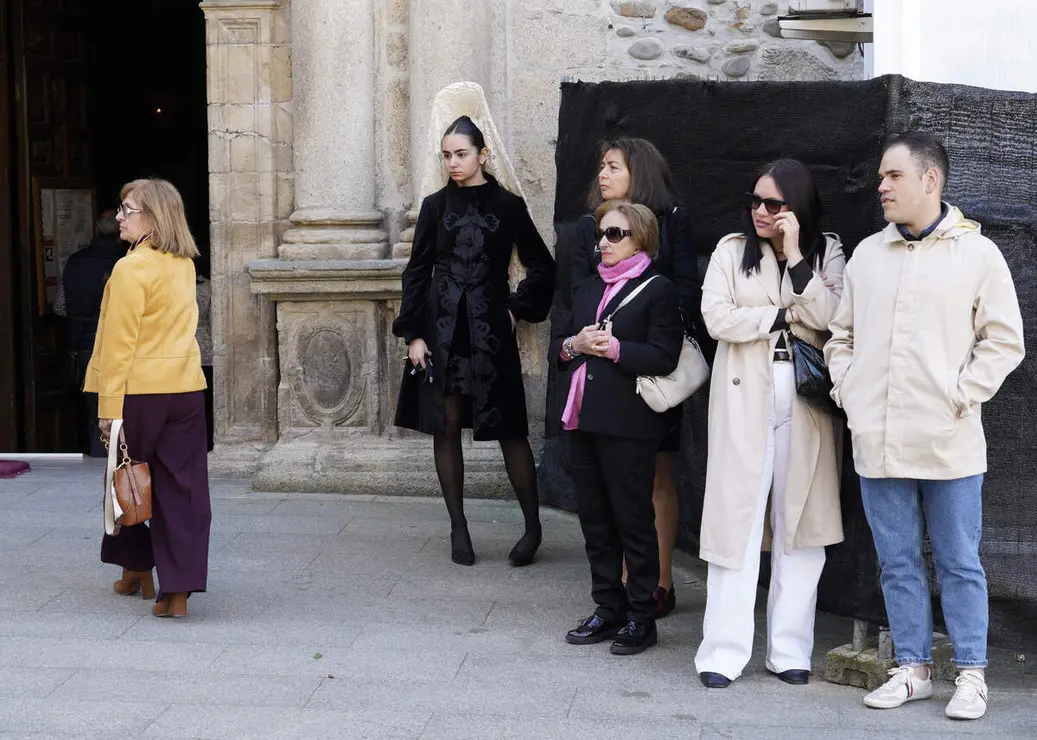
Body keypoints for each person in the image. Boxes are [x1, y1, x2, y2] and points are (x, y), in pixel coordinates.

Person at [826, 133, 1024, 720]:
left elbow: (1004, 340)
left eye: (892, 176)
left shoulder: (977, 254)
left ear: (929, 180)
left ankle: (970, 674)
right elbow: (842, 338)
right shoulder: (867, 255)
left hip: (950, 441)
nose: (881, 187)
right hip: (878, 438)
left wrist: (960, 397)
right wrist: (850, 391)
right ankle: (911, 670)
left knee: (960, 560)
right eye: (881, 177)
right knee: (897, 560)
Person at [695, 159, 845, 688]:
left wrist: (799, 258)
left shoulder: (828, 250)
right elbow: (716, 317)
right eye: (756, 200)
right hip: (744, 401)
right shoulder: (731, 250)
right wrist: (777, 317)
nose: (761, 211)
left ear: (796, 207)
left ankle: (789, 650)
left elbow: (832, 317)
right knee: (737, 517)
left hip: (806, 405)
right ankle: (723, 651)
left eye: (774, 204)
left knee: (800, 522)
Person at [392, 99, 555, 568]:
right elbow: (417, 272)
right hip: (442, 335)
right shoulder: (434, 207)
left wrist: (515, 310)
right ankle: (458, 528)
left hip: (490, 332)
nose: (452, 163)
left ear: (482, 155)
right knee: (445, 428)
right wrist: (414, 335)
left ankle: (532, 527)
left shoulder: (509, 206)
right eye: (446, 155)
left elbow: (543, 266)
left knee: (511, 430)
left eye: (460, 154)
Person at [570, 137, 703, 618]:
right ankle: (620, 589)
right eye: (600, 165)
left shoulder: (672, 222)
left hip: (652, 370)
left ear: (638, 172)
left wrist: (646, 313)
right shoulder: (594, 226)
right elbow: (580, 298)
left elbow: (687, 292)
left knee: (656, 474)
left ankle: (658, 583)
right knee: (608, 490)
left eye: (612, 166)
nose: (601, 174)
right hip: (603, 382)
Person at [555, 200, 683, 655]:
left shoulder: (658, 289)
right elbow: (559, 347)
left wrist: (612, 349)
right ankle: (607, 608)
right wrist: (575, 343)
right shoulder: (589, 288)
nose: (603, 243)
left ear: (641, 239)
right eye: (601, 234)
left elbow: (665, 356)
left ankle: (641, 616)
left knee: (633, 522)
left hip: (630, 425)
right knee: (595, 520)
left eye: (615, 235)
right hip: (584, 418)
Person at [85, 178, 211, 619]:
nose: (119, 217)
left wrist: (108, 409)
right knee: (183, 489)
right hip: (186, 388)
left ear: (153, 218)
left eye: (127, 209)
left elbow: (121, 344)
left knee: (126, 479)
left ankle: (137, 566)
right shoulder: (183, 264)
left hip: (139, 392)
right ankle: (174, 590)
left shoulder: (130, 269)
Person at [54, 210, 127, 457]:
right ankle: (123, 464)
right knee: (123, 410)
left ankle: (98, 458)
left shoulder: (74, 262)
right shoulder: (126, 262)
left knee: (94, 411)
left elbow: (60, 307)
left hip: (83, 345)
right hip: (118, 346)